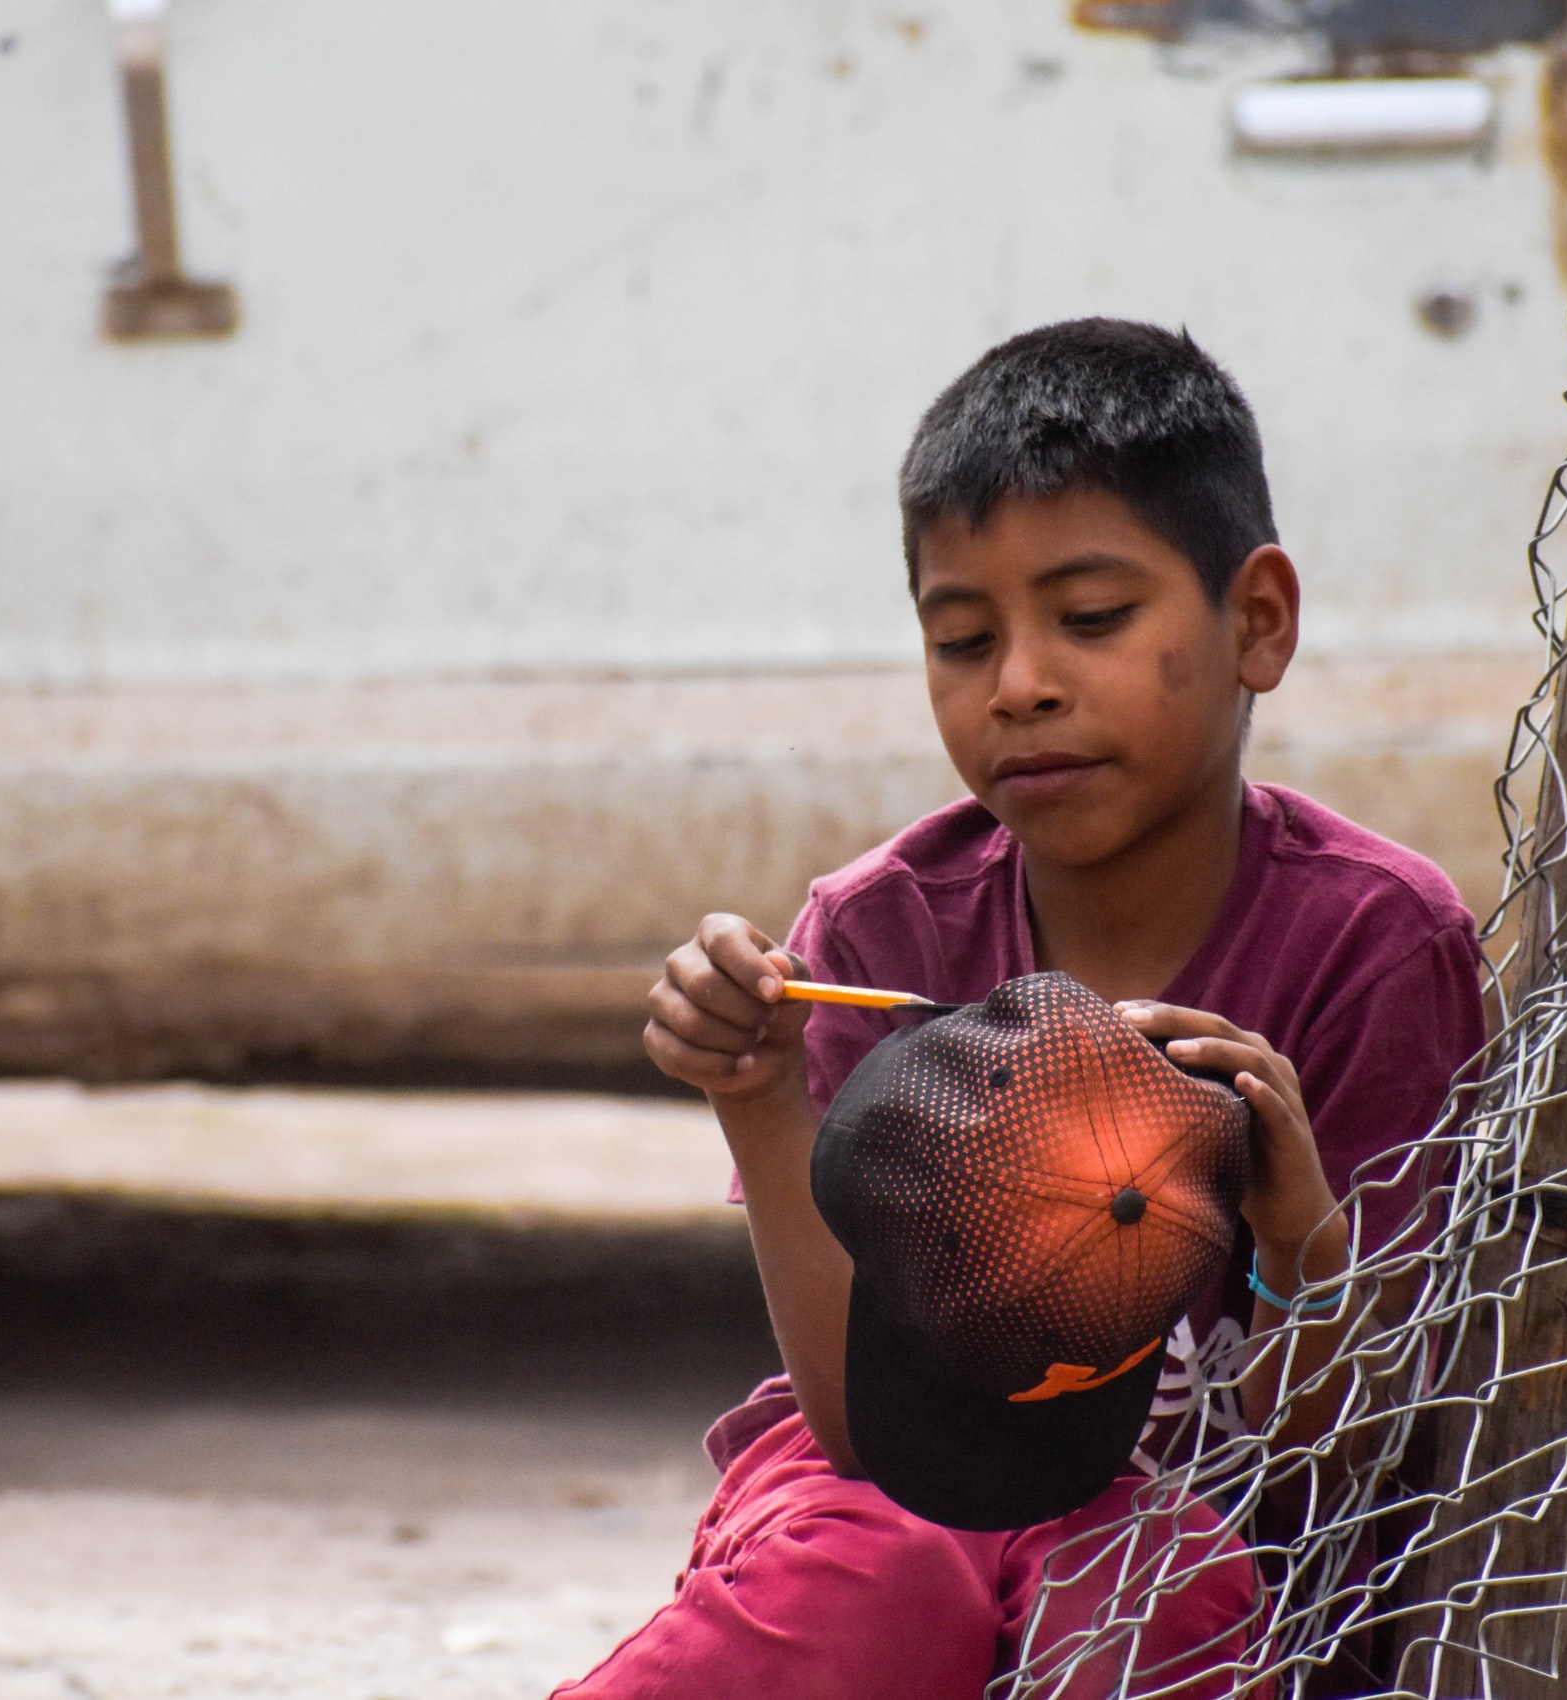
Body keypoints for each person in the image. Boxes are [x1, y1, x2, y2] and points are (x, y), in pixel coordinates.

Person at [568, 319, 1487, 1698]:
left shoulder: (1368, 944)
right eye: (959, 638)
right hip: (891, 1500)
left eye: (1092, 619)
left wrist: (1296, 1231)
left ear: (1256, 621)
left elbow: (1337, 1452)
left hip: (1226, 1541)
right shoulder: (879, 929)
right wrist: (758, 1100)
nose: (1019, 685)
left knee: (1139, 1587)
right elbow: (861, 1435)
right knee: (877, 1570)